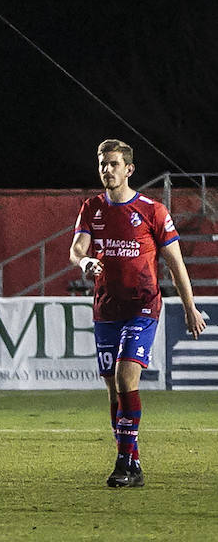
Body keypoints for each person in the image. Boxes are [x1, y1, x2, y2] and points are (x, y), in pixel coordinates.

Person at [69, 139, 207, 488]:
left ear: (129, 169)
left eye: (114, 164)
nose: (107, 170)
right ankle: (134, 461)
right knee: (114, 393)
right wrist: (84, 260)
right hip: (106, 308)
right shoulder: (92, 207)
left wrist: (189, 307)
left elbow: (176, 263)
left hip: (143, 305)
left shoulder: (153, 211)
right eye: (102, 163)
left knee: (125, 379)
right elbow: (77, 248)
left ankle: (123, 463)